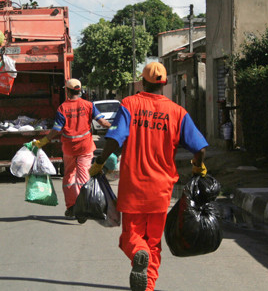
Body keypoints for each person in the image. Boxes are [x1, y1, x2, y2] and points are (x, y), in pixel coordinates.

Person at [89, 62, 208, 291]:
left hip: (133, 186)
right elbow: (200, 149)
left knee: (130, 238)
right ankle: (148, 287)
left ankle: (137, 253)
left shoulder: (129, 105)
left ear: (142, 82)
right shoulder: (177, 112)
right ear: (164, 84)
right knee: (153, 243)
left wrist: (100, 162)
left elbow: (114, 140)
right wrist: (197, 167)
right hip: (161, 189)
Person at [33, 78, 111, 218]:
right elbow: (103, 122)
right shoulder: (89, 105)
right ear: (79, 90)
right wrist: (118, 128)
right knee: (83, 176)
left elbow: (56, 130)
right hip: (85, 147)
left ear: (67, 91)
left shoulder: (63, 108)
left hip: (69, 148)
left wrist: (43, 141)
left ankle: (71, 206)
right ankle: (85, 205)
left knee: (69, 176)